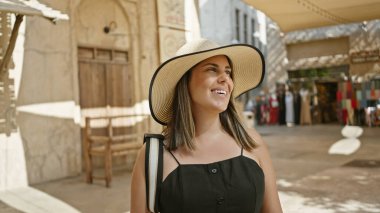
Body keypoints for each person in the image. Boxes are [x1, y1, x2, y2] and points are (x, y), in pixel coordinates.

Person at [131, 38, 282, 213]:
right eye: (212, 69)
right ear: (185, 82)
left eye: (228, 72)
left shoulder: (252, 142)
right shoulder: (153, 156)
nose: (225, 78)